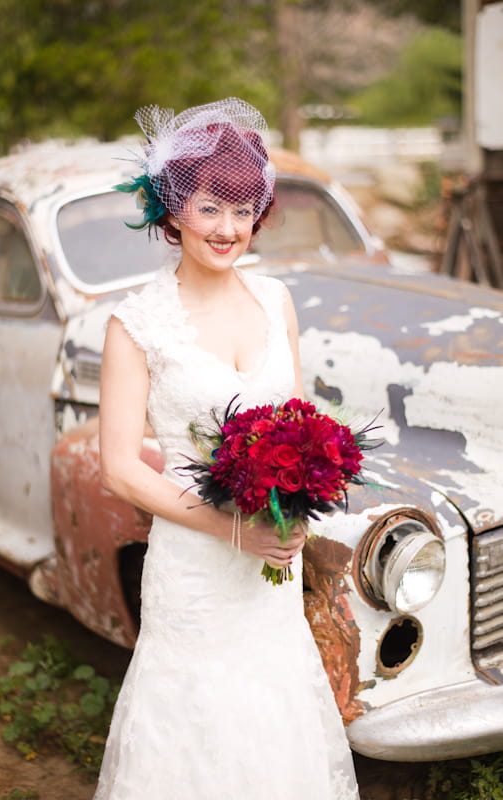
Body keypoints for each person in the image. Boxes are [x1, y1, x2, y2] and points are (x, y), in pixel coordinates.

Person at [94, 98, 360, 800]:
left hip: (269, 571)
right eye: (211, 207)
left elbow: (299, 429)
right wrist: (229, 529)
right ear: (174, 208)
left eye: (244, 211)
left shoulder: (277, 302)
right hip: (195, 573)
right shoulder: (136, 325)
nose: (229, 228)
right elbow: (119, 465)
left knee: (273, 723)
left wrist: (296, 502)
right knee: (197, 728)